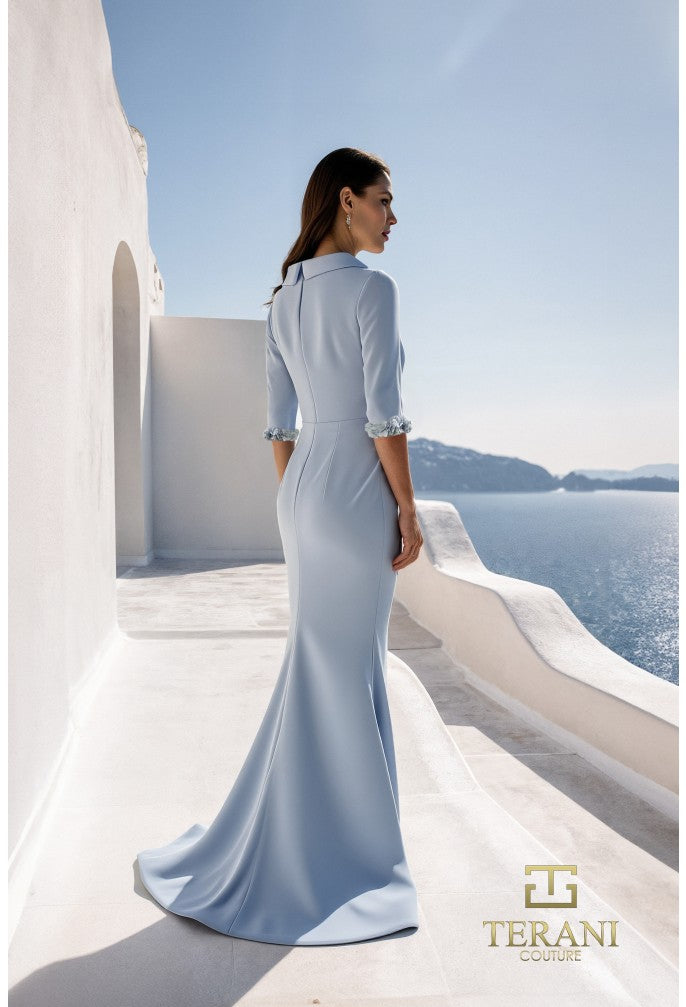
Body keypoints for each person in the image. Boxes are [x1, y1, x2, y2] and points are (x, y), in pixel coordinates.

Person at [136, 147, 424, 946]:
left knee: (319, 665)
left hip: (301, 493)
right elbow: (384, 415)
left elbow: (278, 425)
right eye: (384, 201)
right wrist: (407, 507)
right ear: (346, 200)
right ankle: (345, 855)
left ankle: (301, 837)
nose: (393, 218)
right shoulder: (372, 289)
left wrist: (297, 498)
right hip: (356, 490)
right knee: (350, 666)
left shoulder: (285, 298)